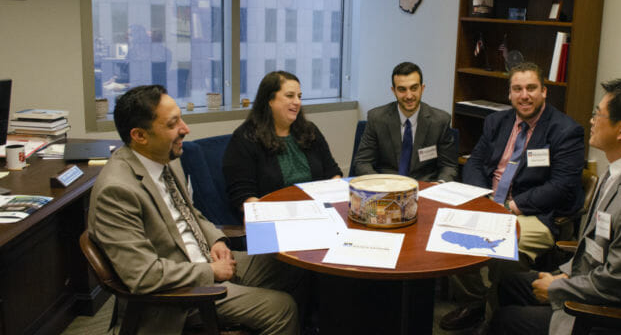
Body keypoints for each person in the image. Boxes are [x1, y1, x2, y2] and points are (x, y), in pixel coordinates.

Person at [88, 85, 302, 334]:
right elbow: (143, 275)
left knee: (296, 265)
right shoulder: (117, 191)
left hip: (203, 259)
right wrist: (210, 271)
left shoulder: (162, 158)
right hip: (177, 298)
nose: (185, 129)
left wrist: (215, 240)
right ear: (139, 136)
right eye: (172, 124)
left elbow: (190, 213)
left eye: (180, 118)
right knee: (282, 308)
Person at [489, 77, 621, 335]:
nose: (591, 121)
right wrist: (566, 277)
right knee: (509, 283)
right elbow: (594, 250)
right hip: (590, 282)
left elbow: (616, 286)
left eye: (598, 114)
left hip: (617, 315)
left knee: (505, 320)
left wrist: (557, 287)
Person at [440, 62, 585, 331]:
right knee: (449, 237)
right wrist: (482, 199)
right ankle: (477, 303)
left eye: (531, 88)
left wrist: (512, 206)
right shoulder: (497, 122)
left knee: (504, 249)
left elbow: (562, 185)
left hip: (534, 213)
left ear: (544, 91)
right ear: (509, 94)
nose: (524, 95)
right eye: (517, 89)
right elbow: (474, 162)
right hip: (490, 203)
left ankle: (496, 321)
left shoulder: (565, 130)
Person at [223, 71, 342, 213]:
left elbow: (333, 172)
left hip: (318, 211)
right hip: (272, 214)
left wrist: (333, 198)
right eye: (290, 96)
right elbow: (243, 195)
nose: (297, 102)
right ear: (270, 100)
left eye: (299, 96)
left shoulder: (310, 131)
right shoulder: (246, 137)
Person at [352, 61, 458, 182]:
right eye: (402, 89)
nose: (409, 96)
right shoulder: (377, 119)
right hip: (387, 186)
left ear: (422, 88)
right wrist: (380, 184)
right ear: (394, 91)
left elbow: (449, 166)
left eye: (414, 88)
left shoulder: (440, 121)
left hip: (425, 187)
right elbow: (362, 162)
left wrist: (439, 185)